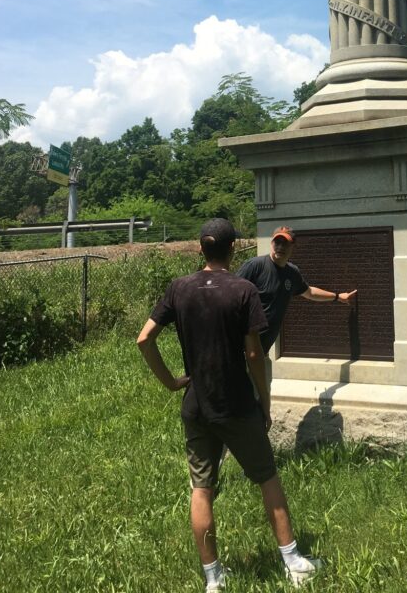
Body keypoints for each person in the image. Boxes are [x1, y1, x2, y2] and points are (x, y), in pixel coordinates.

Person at [137, 218, 323, 590]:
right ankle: (293, 562)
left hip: (196, 404)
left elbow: (144, 339)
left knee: (201, 489)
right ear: (234, 248)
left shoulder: (179, 288)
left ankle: (213, 579)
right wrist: (265, 401)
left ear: (199, 248)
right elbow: (254, 353)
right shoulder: (243, 290)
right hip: (237, 402)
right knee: (267, 477)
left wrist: (172, 382)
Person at [237, 225, 357, 355]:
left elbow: (309, 292)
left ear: (293, 246)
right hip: (242, 348)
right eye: (277, 242)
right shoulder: (254, 266)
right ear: (272, 243)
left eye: (285, 243)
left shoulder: (292, 273)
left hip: (262, 351)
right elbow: (232, 295)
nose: (280, 247)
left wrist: (338, 297)